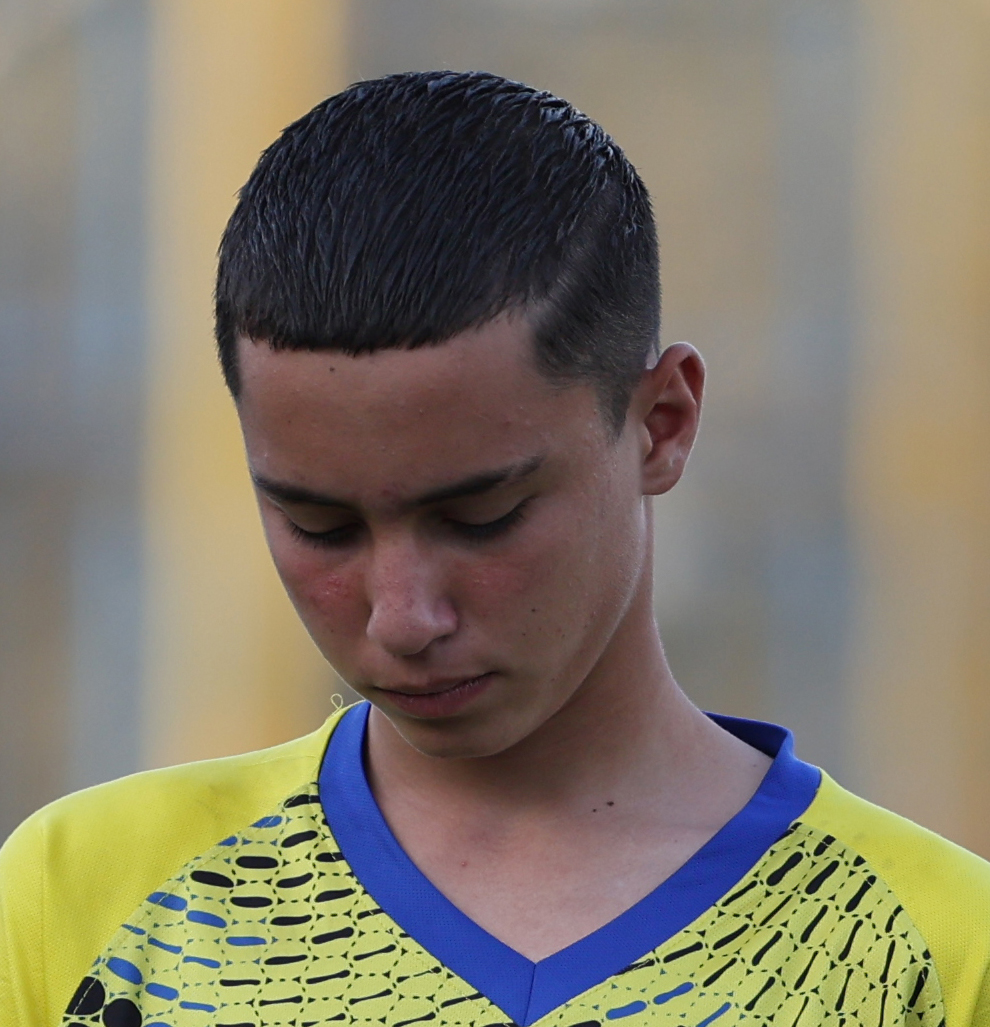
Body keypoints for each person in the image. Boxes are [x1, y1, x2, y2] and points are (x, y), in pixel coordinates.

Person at [1, 70, 988, 1027]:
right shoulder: (82, 896)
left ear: (662, 424)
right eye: (321, 526)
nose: (403, 617)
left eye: (482, 517)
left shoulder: (939, 954)